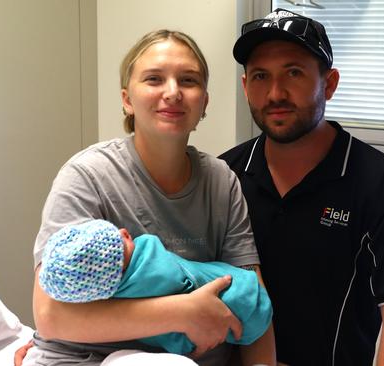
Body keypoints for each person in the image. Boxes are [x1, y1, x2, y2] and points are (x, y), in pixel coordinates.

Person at [22, 29, 276, 366]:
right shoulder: (87, 176)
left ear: (204, 103)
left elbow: (255, 304)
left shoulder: (221, 182)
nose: (172, 93)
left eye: (188, 80)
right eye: (154, 79)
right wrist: (182, 313)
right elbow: (51, 315)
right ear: (127, 99)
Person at [218, 8, 384, 366]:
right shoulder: (223, 176)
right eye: (259, 76)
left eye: (294, 73)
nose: (275, 93)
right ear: (245, 87)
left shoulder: (379, 183)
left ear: (328, 84)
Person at [38, 219, 273, 355]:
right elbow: (49, 320)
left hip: (248, 303)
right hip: (247, 302)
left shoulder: (116, 300)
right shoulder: (152, 265)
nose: (124, 232)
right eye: (121, 243)